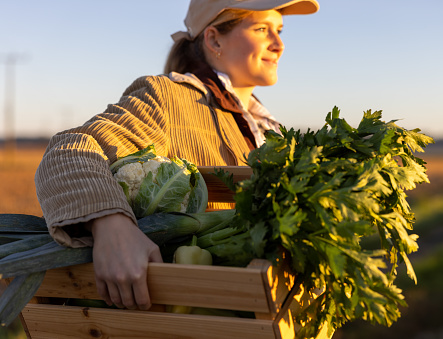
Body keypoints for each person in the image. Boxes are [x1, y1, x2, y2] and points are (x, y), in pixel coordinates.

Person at [35, 0, 319, 311]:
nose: (278, 44)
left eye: (279, 30)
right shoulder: (169, 97)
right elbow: (70, 150)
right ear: (214, 39)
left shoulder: (267, 128)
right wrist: (111, 225)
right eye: (262, 29)